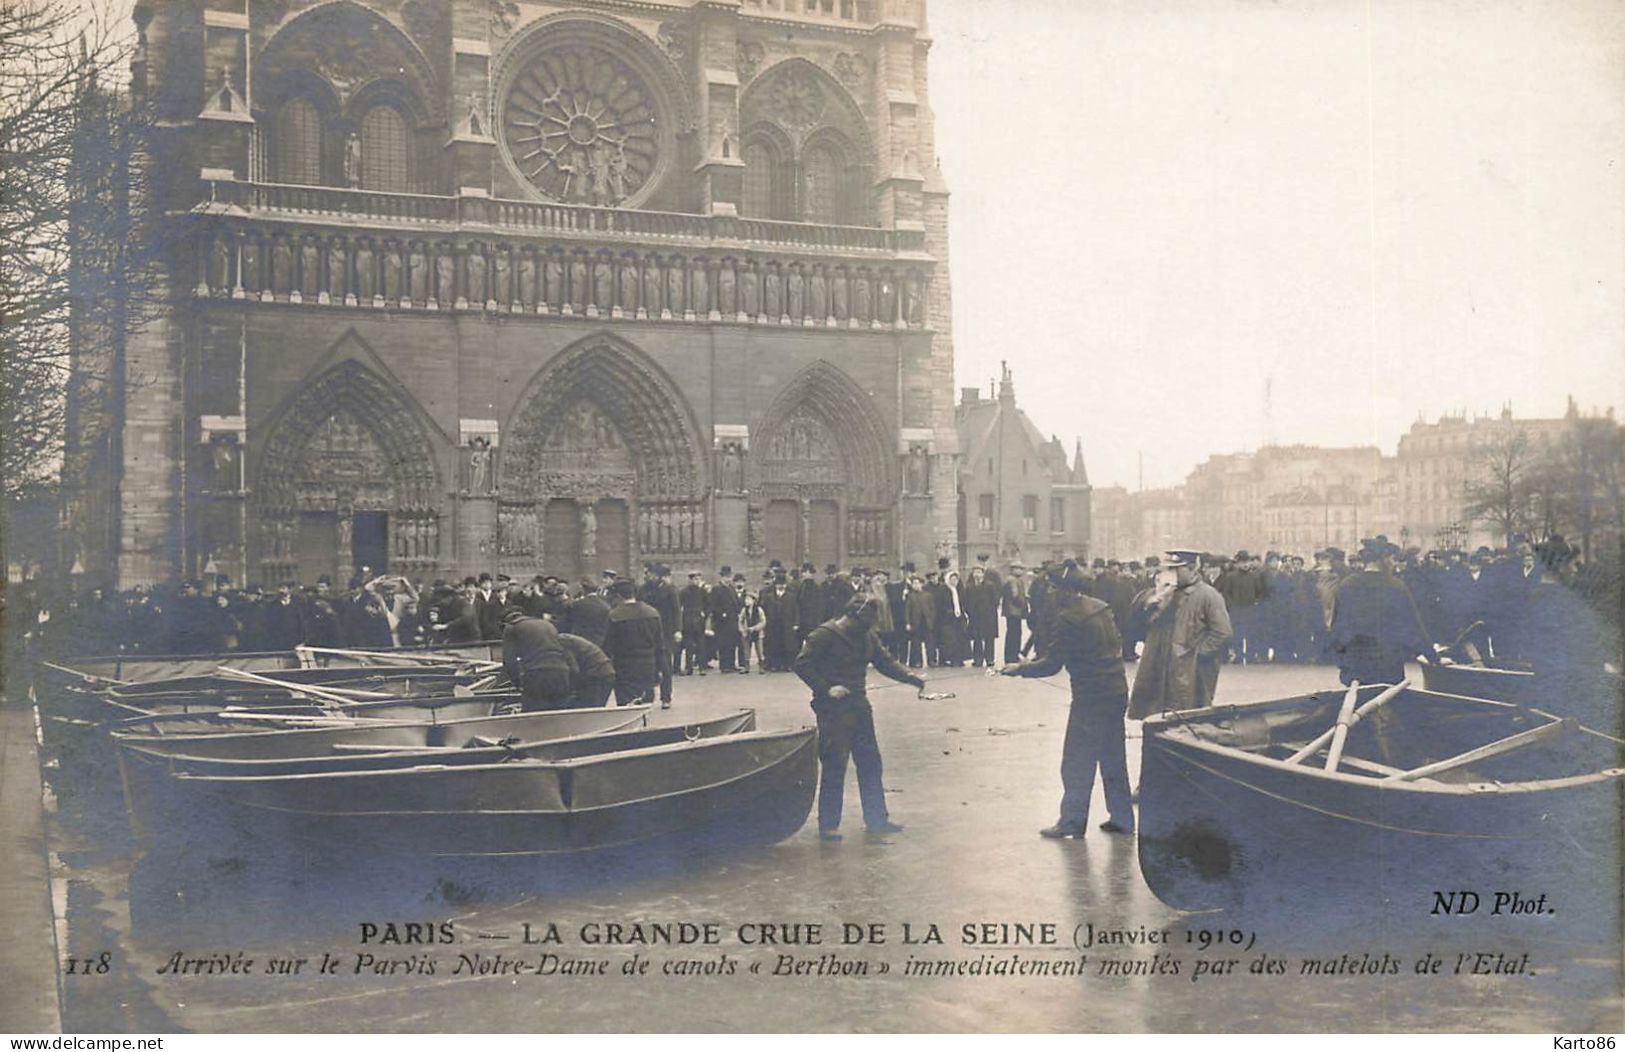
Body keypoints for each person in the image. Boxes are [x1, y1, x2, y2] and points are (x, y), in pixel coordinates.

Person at [1002, 562, 1134, 837]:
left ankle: (1072, 823)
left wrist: (1020, 669)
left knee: (1076, 761)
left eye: (1054, 587)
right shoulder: (1101, 607)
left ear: (1066, 590)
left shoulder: (1068, 617)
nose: (1050, 591)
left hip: (1090, 697)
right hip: (1116, 690)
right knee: (1113, 757)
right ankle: (1123, 818)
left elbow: (1051, 664)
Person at [792, 595, 927, 841]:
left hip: (859, 705)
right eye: (864, 624)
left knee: (870, 762)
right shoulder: (823, 635)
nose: (867, 629)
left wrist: (911, 678)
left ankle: (877, 820)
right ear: (850, 617)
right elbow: (802, 664)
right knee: (835, 764)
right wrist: (826, 688)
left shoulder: (866, 635)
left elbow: (885, 662)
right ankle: (828, 825)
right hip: (832, 709)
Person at [1127, 550, 1234, 719]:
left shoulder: (1208, 595)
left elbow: (1222, 632)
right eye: (1168, 569)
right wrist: (1157, 598)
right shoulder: (1159, 594)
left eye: (1176, 569)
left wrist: (1198, 656)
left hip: (1190, 673)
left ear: (1192, 569)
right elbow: (1136, 621)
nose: (1170, 574)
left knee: (1189, 716)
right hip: (1159, 666)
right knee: (1155, 716)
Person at [1326, 539, 1435, 686]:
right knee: (1387, 704)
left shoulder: (1347, 585)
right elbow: (1413, 626)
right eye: (1391, 558)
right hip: (1388, 663)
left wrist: (1342, 661)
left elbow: (1338, 627)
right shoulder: (1396, 586)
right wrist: (1433, 657)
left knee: (1357, 702)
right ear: (1382, 559)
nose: (1393, 563)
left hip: (1356, 662)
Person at [602, 578, 666, 706]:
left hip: (625, 666)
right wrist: (660, 668)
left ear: (618, 596)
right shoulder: (652, 613)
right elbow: (660, 645)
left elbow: (608, 646)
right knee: (646, 702)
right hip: (648, 664)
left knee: (626, 703)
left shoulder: (615, 615)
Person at [500, 607, 574, 710]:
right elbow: (565, 650)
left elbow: (509, 660)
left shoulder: (511, 627)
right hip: (561, 672)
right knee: (559, 717)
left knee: (533, 719)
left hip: (536, 674)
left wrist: (517, 682)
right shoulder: (547, 624)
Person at [559, 631, 616, 707]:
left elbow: (574, 668)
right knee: (593, 708)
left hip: (597, 673)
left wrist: (569, 689)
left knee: (589, 710)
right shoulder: (563, 639)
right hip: (603, 670)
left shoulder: (562, 642)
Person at [1001, 562, 1030, 664]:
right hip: (1014, 611)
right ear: (1013, 570)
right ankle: (1012, 656)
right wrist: (1023, 605)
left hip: (1011, 611)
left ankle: (1011, 656)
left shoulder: (1011, 579)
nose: (1021, 571)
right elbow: (1015, 595)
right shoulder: (1013, 580)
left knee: (1013, 633)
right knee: (1014, 634)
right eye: (1019, 569)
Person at [739, 591, 766, 672]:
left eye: (748, 599)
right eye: (746, 599)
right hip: (747, 632)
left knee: (760, 650)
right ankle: (747, 666)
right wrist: (742, 630)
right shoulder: (744, 610)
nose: (746, 601)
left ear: (753, 600)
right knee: (746, 650)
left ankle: (761, 666)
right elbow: (740, 621)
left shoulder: (759, 610)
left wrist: (755, 628)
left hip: (757, 633)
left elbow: (763, 621)